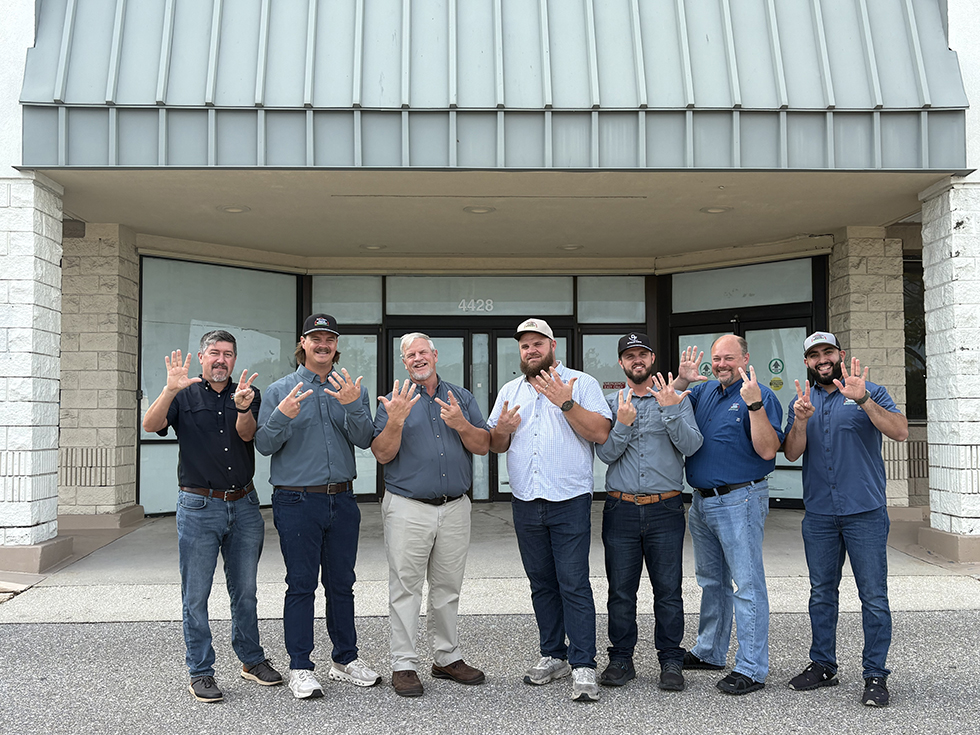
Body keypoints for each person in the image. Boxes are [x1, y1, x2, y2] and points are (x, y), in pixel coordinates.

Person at [142, 330, 283, 702]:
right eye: (214, 353)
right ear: (202, 357)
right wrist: (170, 389)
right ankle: (201, 671)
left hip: (245, 505)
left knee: (246, 591)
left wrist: (242, 407)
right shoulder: (184, 393)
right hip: (198, 507)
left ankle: (251, 660)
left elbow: (249, 435)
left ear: (234, 360)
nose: (221, 360)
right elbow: (150, 424)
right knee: (196, 594)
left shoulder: (249, 393)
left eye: (228, 354)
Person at [255, 314, 380, 699]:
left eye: (329, 338)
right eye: (316, 338)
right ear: (303, 343)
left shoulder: (350, 389)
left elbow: (364, 440)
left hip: (342, 498)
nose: (323, 344)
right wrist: (282, 416)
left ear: (336, 345)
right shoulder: (280, 390)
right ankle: (300, 666)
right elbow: (263, 444)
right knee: (302, 584)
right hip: (296, 500)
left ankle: (345, 658)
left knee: (342, 584)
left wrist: (353, 406)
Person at [487, 318, 612, 702]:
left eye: (537, 343)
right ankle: (553, 654)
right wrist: (503, 430)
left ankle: (584, 663)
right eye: (524, 346)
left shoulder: (582, 383)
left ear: (552, 346)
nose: (530, 350)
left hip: (569, 500)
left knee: (573, 582)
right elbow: (496, 443)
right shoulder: (511, 389)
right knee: (541, 583)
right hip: (526, 500)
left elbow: (600, 433)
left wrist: (565, 402)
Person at [782, 331, 908, 707]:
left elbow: (900, 431)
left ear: (840, 355)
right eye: (814, 354)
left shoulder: (870, 390)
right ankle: (823, 664)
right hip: (819, 514)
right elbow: (791, 453)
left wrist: (865, 400)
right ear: (807, 362)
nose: (822, 359)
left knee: (873, 597)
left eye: (828, 352)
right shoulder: (801, 400)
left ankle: (875, 675)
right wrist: (800, 421)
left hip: (865, 512)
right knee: (822, 594)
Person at [372, 333, 490, 697]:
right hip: (409, 507)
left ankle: (446, 657)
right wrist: (395, 421)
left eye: (423, 352)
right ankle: (404, 664)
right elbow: (382, 455)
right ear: (404, 363)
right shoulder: (394, 401)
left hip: (455, 506)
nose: (418, 358)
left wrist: (461, 423)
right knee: (405, 588)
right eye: (410, 355)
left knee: (447, 588)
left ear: (435, 356)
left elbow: (483, 446)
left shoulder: (462, 397)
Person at [674, 335, 783, 695]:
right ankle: (710, 651)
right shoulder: (704, 392)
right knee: (711, 581)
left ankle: (751, 668)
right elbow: (668, 405)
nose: (720, 364)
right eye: (716, 359)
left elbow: (769, 450)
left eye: (728, 358)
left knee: (747, 585)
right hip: (702, 502)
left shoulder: (761, 395)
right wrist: (682, 381)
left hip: (741, 499)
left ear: (745, 358)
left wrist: (753, 407)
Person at [595, 333, 702, 692]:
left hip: (665, 508)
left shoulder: (676, 399)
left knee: (669, 590)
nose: (636, 360)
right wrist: (623, 423)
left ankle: (670, 659)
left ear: (652, 358)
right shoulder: (611, 402)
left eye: (642, 354)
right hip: (620, 508)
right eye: (629, 355)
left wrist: (670, 408)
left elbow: (692, 445)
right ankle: (621, 659)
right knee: (620, 591)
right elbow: (606, 454)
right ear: (622, 363)